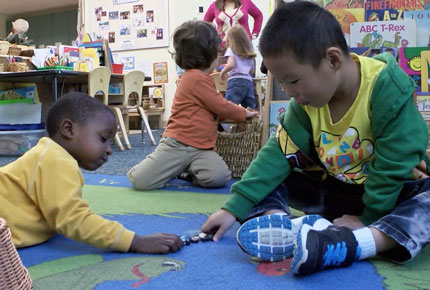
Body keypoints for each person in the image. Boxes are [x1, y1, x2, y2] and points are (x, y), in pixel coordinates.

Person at [201, 1, 430, 276]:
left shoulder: (386, 88)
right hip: (336, 192)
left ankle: (363, 242)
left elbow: (394, 163)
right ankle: (283, 226)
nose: (288, 91)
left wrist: (368, 218)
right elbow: (277, 153)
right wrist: (233, 208)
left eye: (293, 81)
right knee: (268, 176)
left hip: (387, 197)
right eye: (282, 83)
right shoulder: (305, 104)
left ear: (332, 60)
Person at [0, 92, 183, 254]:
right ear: (68, 129)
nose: (109, 150)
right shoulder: (56, 159)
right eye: (103, 139)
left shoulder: (52, 156)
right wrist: (135, 242)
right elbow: (73, 219)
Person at [127, 20, 258, 190]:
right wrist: (242, 113)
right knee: (140, 181)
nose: (220, 60)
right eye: (218, 55)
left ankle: (184, 170)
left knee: (219, 177)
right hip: (177, 144)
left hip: (202, 149)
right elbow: (220, 105)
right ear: (207, 55)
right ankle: (151, 168)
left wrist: (233, 113)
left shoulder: (203, 79)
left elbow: (214, 110)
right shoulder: (195, 78)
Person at [221, 24, 256, 109]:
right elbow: (252, 71)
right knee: (249, 107)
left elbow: (231, 64)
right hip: (248, 82)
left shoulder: (231, 50)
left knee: (229, 106)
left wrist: (223, 72)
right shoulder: (248, 53)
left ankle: (226, 122)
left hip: (235, 81)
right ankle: (252, 121)